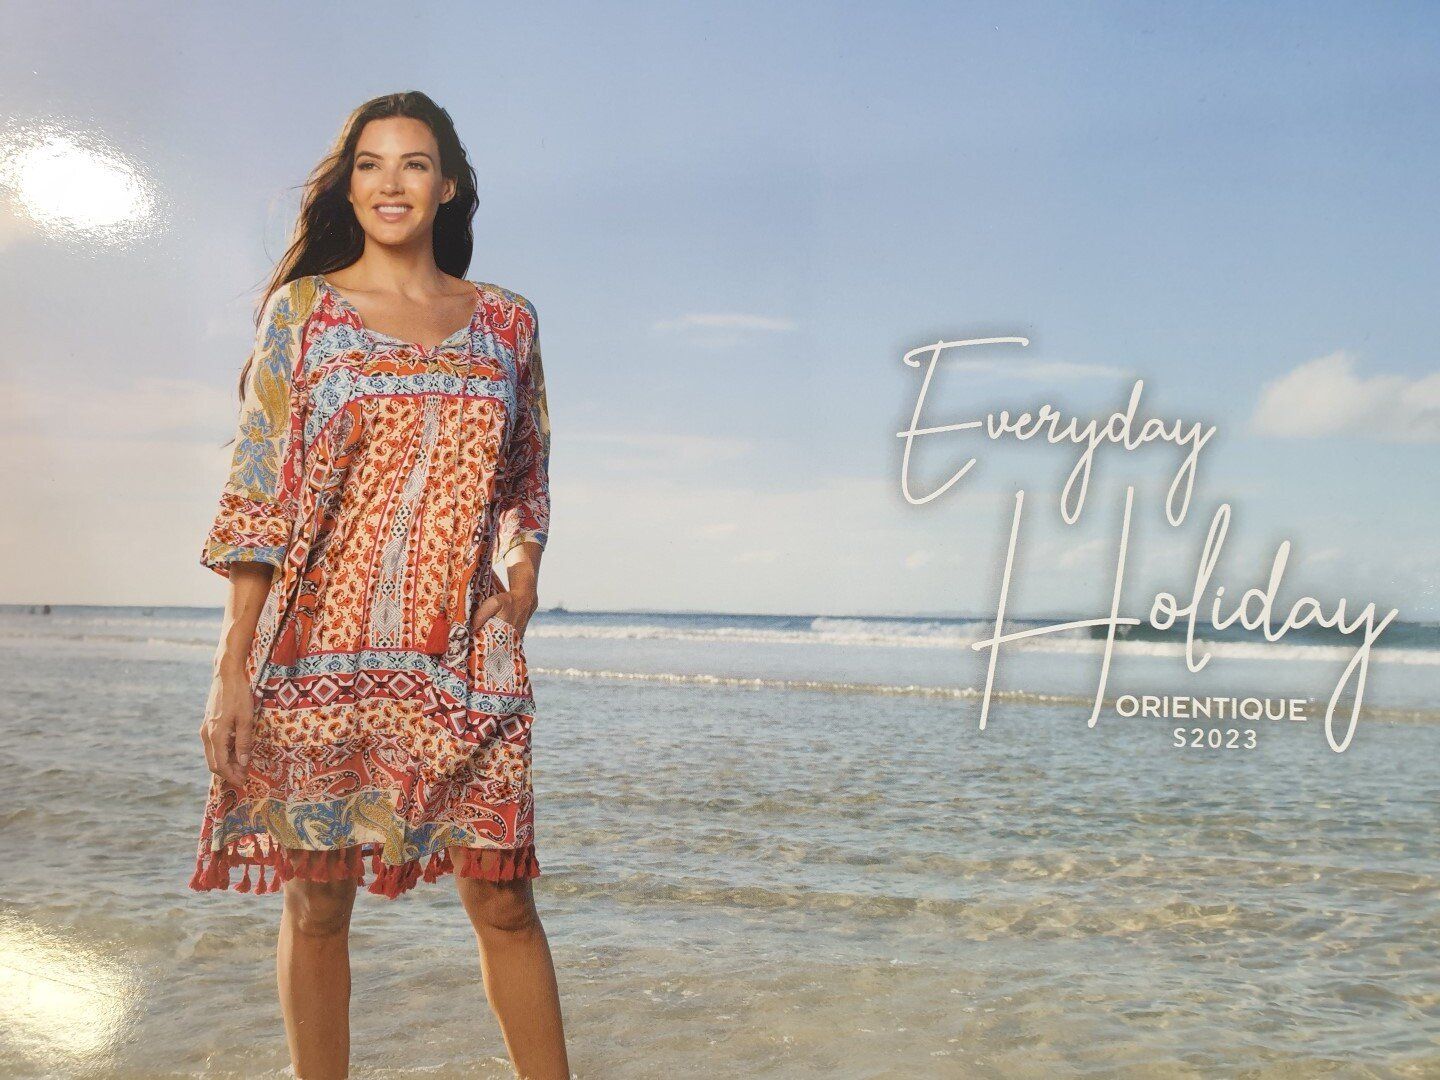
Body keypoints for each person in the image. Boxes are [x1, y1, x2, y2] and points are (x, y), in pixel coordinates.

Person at [190, 91, 568, 1080]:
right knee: (318, 901)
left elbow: (526, 474)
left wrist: (520, 584)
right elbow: (259, 488)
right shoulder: (305, 315)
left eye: (411, 164)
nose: (389, 182)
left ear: (447, 186)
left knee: (504, 896)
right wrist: (232, 667)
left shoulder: (507, 323)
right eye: (369, 164)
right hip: (318, 648)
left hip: (463, 654)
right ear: (348, 185)